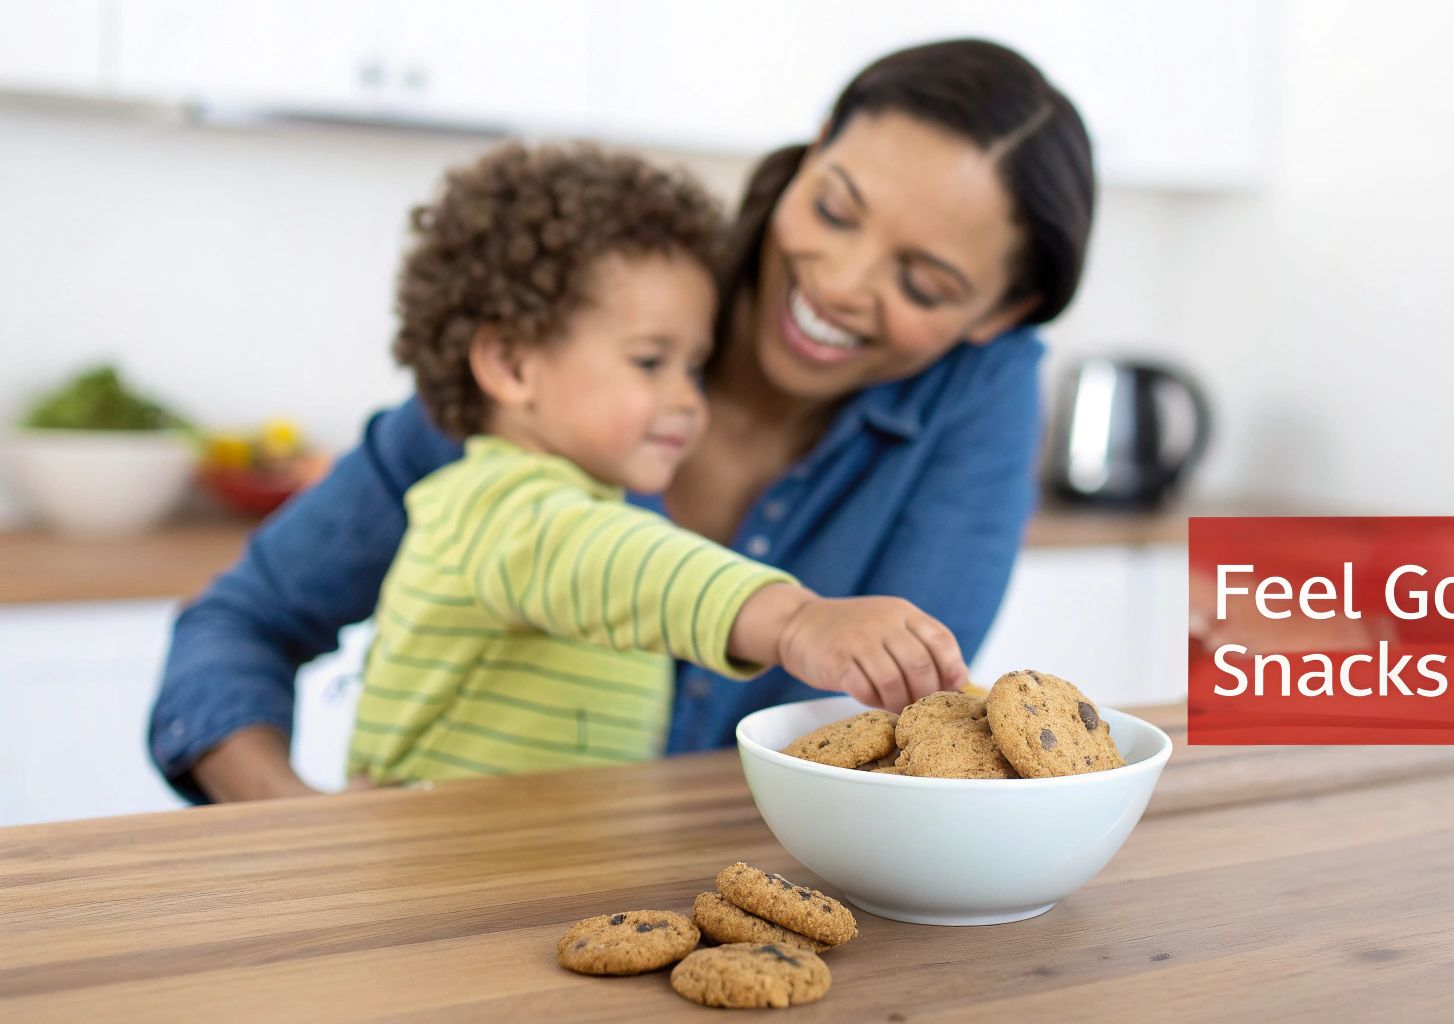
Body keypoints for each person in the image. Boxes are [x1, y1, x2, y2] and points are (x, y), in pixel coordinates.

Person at [150, 38, 1097, 802]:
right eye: (836, 208)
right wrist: (297, 832)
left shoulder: (977, 392)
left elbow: (902, 739)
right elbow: (244, 623)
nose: (841, 285)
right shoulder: (565, 346)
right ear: (811, 149)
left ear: (996, 316)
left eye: (924, 283)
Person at [347, 141, 965, 785]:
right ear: (512, 363)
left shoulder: (575, 503)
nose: (687, 400)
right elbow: (614, 559)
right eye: (649, 361)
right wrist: (796, 621)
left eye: (692, 367)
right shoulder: (491, 504)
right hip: (432, 871)